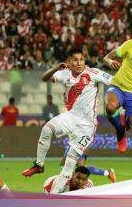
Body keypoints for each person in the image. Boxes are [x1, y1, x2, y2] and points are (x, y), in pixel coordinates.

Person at [22, 48, 112, 194]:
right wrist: (55, 68)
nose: (79, 63)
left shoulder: (93, 73)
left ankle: (54, 198)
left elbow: (114, 80)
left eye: (81, 59)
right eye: (75, 60)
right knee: (46, 129)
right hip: (70, 117)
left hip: (87, 126)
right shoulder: (64, 74)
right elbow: (44, 78)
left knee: (70, 163)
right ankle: (39, 165)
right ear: (69, 62)